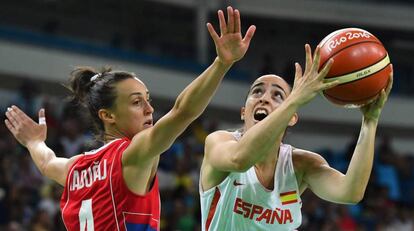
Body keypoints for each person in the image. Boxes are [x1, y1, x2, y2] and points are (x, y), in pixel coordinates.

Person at [4, 6, 255, 230]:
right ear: (107, 115)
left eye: (148, 99)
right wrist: (221, 64)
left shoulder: (75, 168)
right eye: (137, 102)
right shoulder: (133, 155)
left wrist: (34, 142)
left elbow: (47, 163)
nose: (149, 109)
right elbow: (183, 112)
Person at [199, 44, 393, 230]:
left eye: (277, 95)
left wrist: (370, 121)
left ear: (292, 118)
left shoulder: (301, 164)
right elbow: (240, 159)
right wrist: (293, 99)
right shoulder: (219, 142)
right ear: (243, 112)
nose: (264, 98)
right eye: (257, 91)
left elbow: (350, 192)